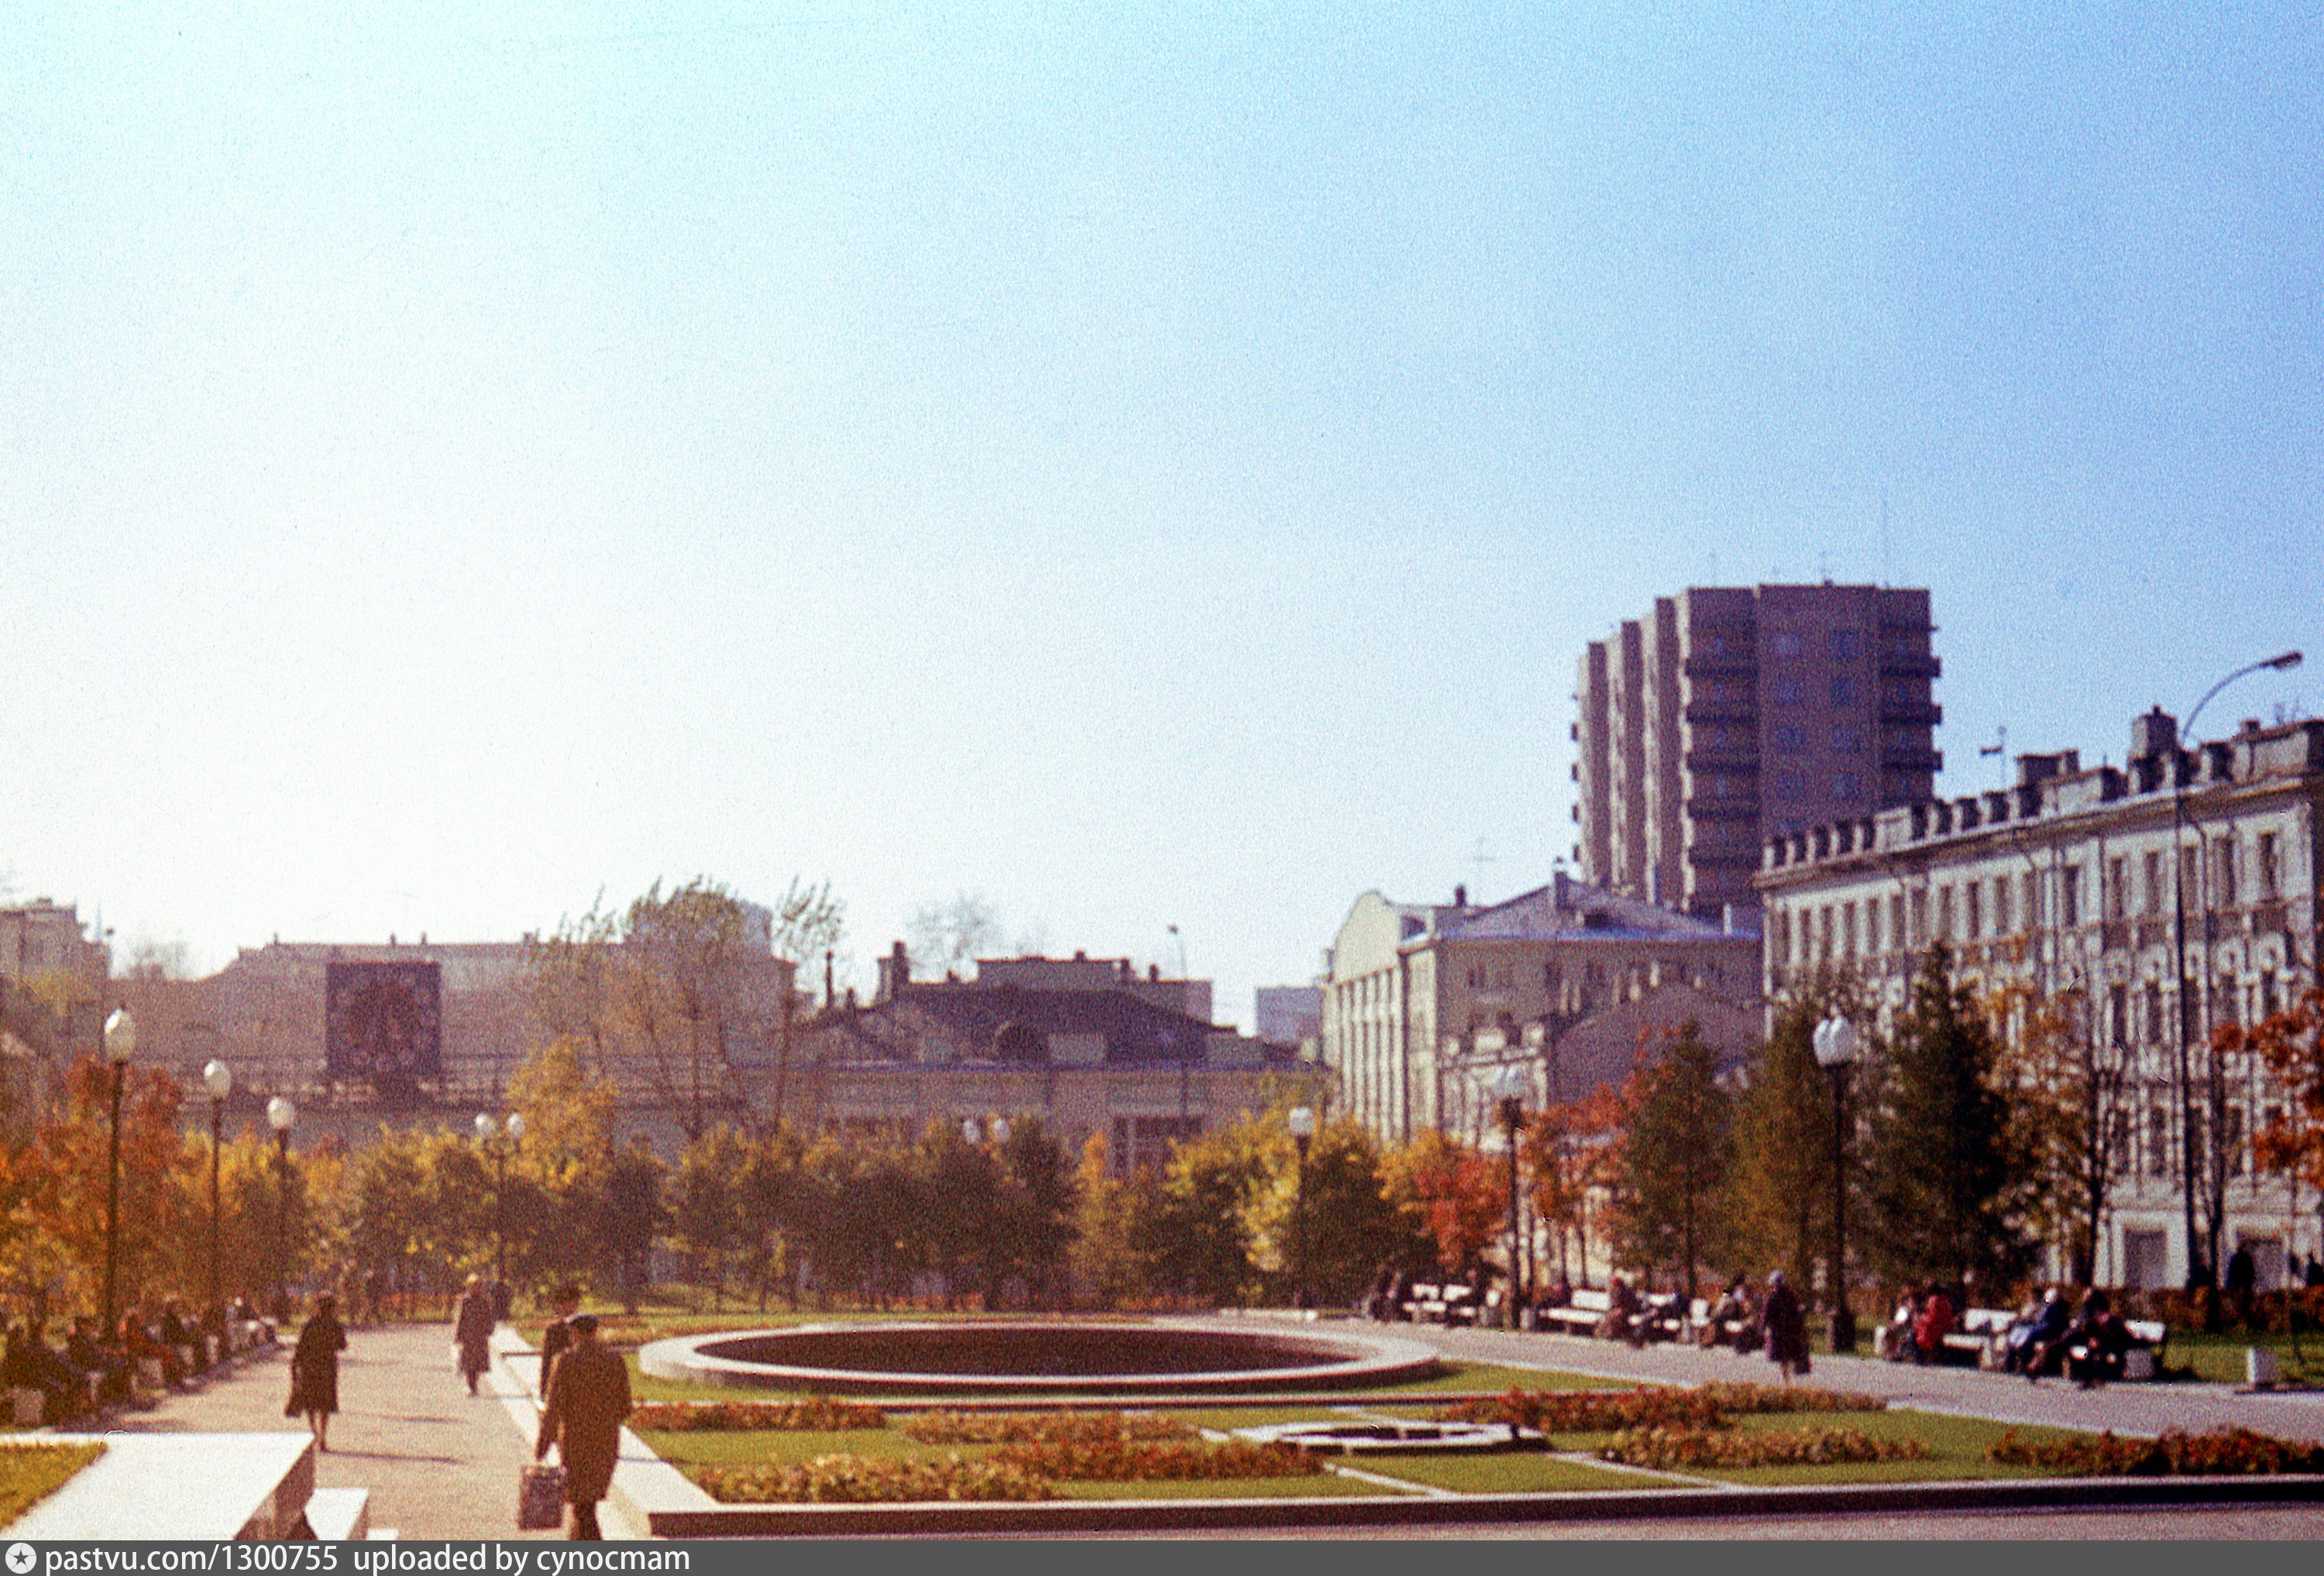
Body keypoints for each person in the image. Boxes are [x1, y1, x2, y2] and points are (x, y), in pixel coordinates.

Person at [534, 1313, 632, 1540]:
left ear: (574, 1333)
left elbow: (553, 1409)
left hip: (575, 1444)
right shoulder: (615, 1360)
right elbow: (626, 1406)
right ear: (594, 1331)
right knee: (587, 1506)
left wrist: (542, 1445)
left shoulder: (566, 1361)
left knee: (582, 1506)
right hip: (606, 1443)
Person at [284, 1293, 347, 1451]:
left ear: (318, 1306)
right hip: (327, 1367)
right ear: (332, 1308)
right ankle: (323, 1436)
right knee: (325, 1404)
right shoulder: (335, 1325)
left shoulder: (310, 1324)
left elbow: (301, 1347)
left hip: (310, 1366)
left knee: (311, 1403)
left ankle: (314, 1432)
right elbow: (342, 1345)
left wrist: (295, 1365)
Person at [1762, 1270, 1809, 1383]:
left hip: (1778, 1332)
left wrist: (1763, 1328)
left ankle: (1787, 1381)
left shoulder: (1771, 1297)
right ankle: (1789, 1380)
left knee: (1784, 1359)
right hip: (1791, 1331)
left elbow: (1765, 1315)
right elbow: (1797, 1313)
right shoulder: (1791, 1295)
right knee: (1790, 1356)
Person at [455, 1273, 495, 1396]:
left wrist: (489, 1329)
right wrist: (459, 1335)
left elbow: (489, 1317)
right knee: (468, 1363)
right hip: (468, 1336)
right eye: (473, 1286)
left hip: (480, 1336)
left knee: (478, 1363)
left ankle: (474, 1385)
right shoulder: (466, 1301)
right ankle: (470, 1385)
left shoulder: (484, 1301)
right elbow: (461, 1318)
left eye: (478, 1286)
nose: (476, 1289)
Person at [539, 1283, 582, 1396]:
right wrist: (544, 1392)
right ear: (559, 1307)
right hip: (560, 1384)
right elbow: (547, 1363)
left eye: (572, 1303)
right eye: (564, 1304)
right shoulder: (553, 1330)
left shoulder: (584, 1327)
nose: (568, 1307)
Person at [1912, 1282, 1956, 1365]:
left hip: (1936, 1327)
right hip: (1945, 1326)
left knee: (1917, 1329)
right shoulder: (1945, 1300)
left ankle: (1920, 1356)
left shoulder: (1933, 1300)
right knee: (1919, 1328)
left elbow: (1932, 1317)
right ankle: (1924, 1355)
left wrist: (1921, 1319)